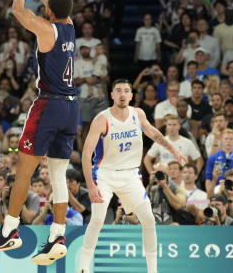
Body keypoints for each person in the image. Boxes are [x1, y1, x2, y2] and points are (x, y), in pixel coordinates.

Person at [0, 0, 79, 267]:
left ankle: (10, 230)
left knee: (24, 172)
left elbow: (17, 11)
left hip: (49, 105)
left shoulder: (45, 28)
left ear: (50, 10)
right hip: (71, 108)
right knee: (58, 176)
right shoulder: (68, 25)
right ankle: (58, 235)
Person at [78, 79, 187, 273]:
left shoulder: (138, 114)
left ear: (131, 95)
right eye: (118, 90)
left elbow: (154, 133)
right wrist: (91, 185)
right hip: (105, 175)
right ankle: (83, 268)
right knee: (97, 219)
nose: (122, 94)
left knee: (148, 219)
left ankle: (153, 270)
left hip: (130, 175)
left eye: (126, 91)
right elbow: (86, 154)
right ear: (112, 95)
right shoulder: (101, 119)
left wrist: (174, 150)